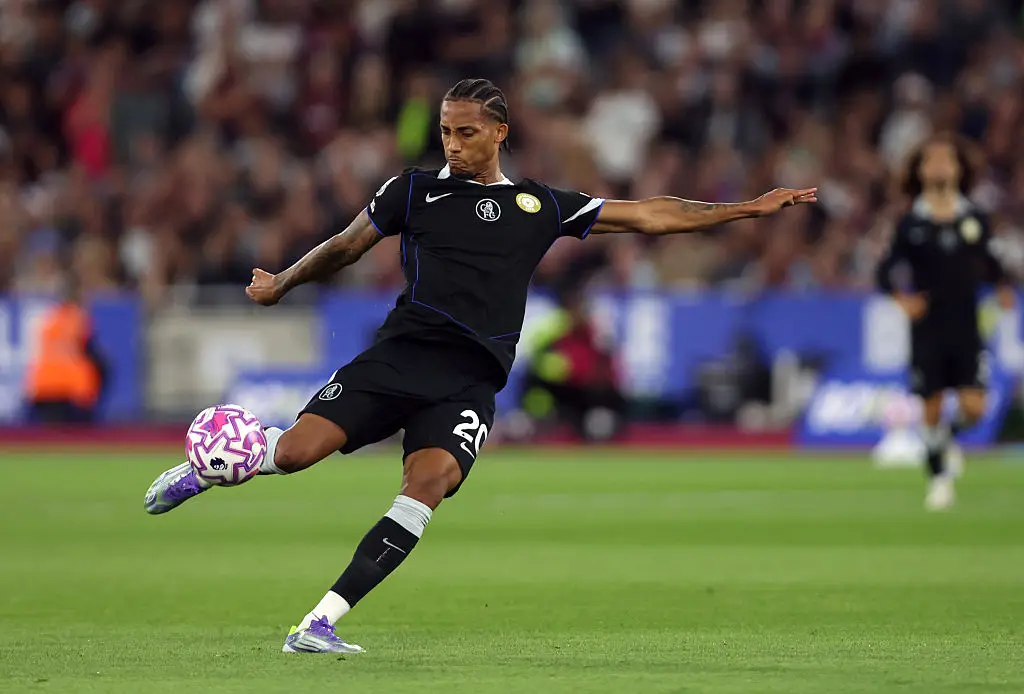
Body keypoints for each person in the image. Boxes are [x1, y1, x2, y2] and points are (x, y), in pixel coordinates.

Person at [144, 78, 816, 653]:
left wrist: (746, 209)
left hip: (470, 379)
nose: (454, 145)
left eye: (466, 133)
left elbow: (649, 215)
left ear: (498, 132)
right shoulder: (411, 192)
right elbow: (345, 247)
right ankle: (212, 467)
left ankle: (319, 622)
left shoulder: (537, 207)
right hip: (402, 354)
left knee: (429, 482)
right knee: (293, 454)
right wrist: (283, 282)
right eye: (445, 132)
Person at [876, 134, 1015, 511]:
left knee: (974, 409)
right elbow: (886, 269)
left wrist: (1002, 286)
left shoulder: (975, 218)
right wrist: (902, 299)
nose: (938, 167)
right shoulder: (910, 222)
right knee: (932, 409)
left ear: (959, 168)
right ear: (919, 171)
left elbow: (992, 262)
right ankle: (938, 479)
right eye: (931, 161)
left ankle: (948, 440)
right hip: (928, 329)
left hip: (967, 326)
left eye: (946, 160)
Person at [24, 281, 108, 424]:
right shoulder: (78, 318)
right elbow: (92, 353)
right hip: (71, 390)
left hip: (42, 387)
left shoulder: (48, 318)